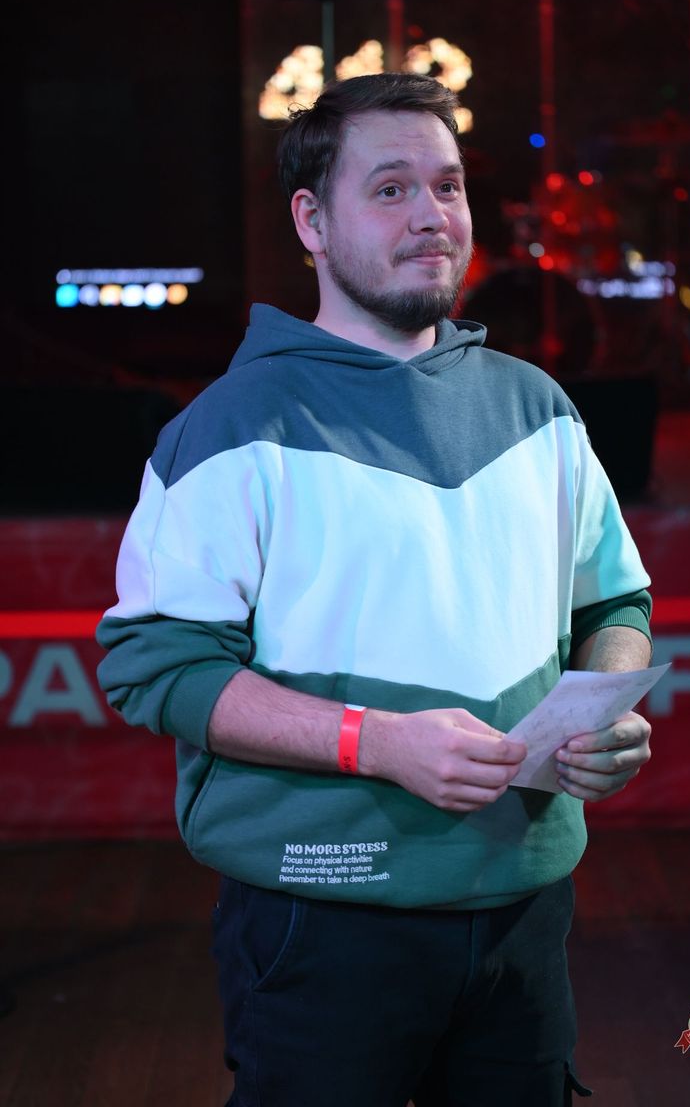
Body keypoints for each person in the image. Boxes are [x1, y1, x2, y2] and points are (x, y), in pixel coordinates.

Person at [96, 72, 653, 1107]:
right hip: (321, 912)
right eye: (390, 189)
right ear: (311, 222)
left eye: (447, 186)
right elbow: (156, 668)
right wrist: (377, 743)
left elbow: (612, 606)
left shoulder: (539, 408)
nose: (431, 216)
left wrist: (603, 710)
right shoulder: (229, 428)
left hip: (525, 902)